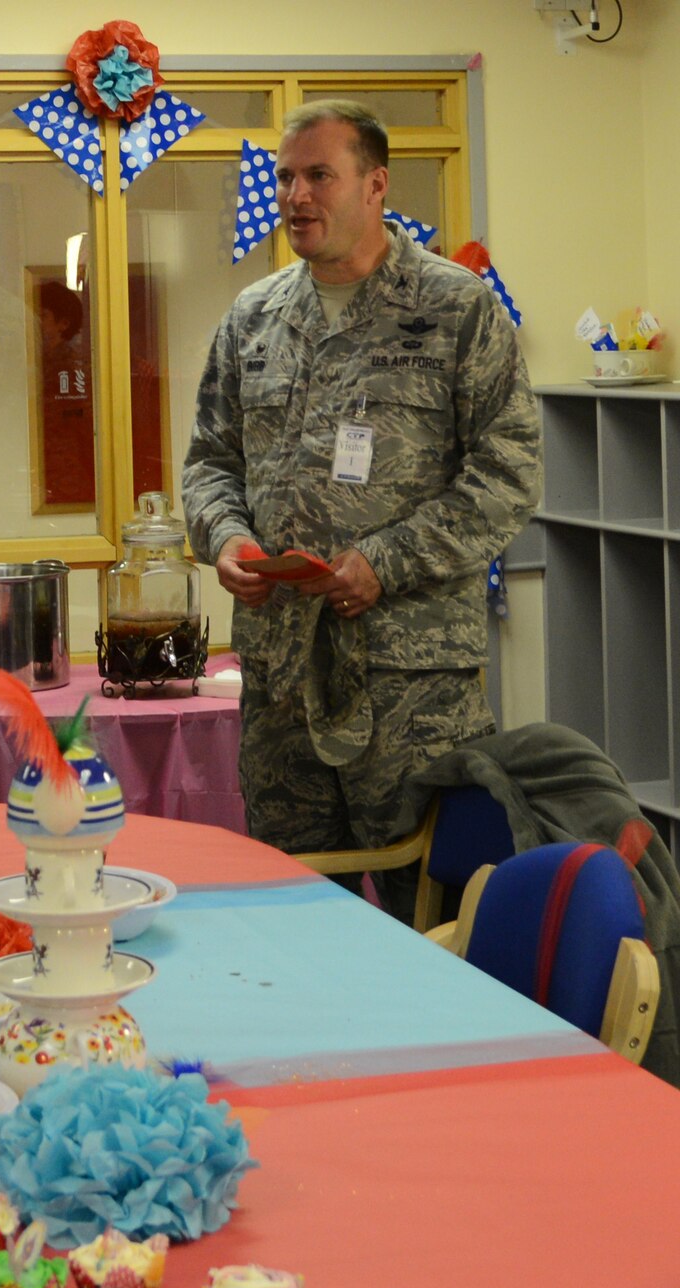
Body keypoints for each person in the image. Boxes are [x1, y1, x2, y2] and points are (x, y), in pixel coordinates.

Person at [180, 100, 540, 916]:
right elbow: (210, 462)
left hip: (412, 687)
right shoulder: (255, 317)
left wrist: (386, 561)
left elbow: (510, 471)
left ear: (376, 185)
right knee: (291, 910)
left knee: (437, 909)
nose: (295, 197)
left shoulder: (457, 308)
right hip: (280, 685)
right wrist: (228, 539)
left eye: (319, 176)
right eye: (285, 178)